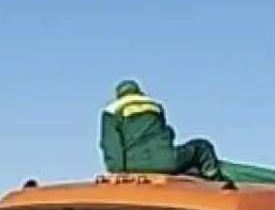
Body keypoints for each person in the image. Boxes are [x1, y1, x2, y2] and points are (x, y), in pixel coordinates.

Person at [99, 79, 232, 184]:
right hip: (167, 162)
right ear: (138, 91)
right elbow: (167, 134)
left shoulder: (111, 111)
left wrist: (117, 172)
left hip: (131, 166)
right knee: (202, 146)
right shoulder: (155, 106)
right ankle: (214, 179)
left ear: (118, 95)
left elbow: (111, 144)